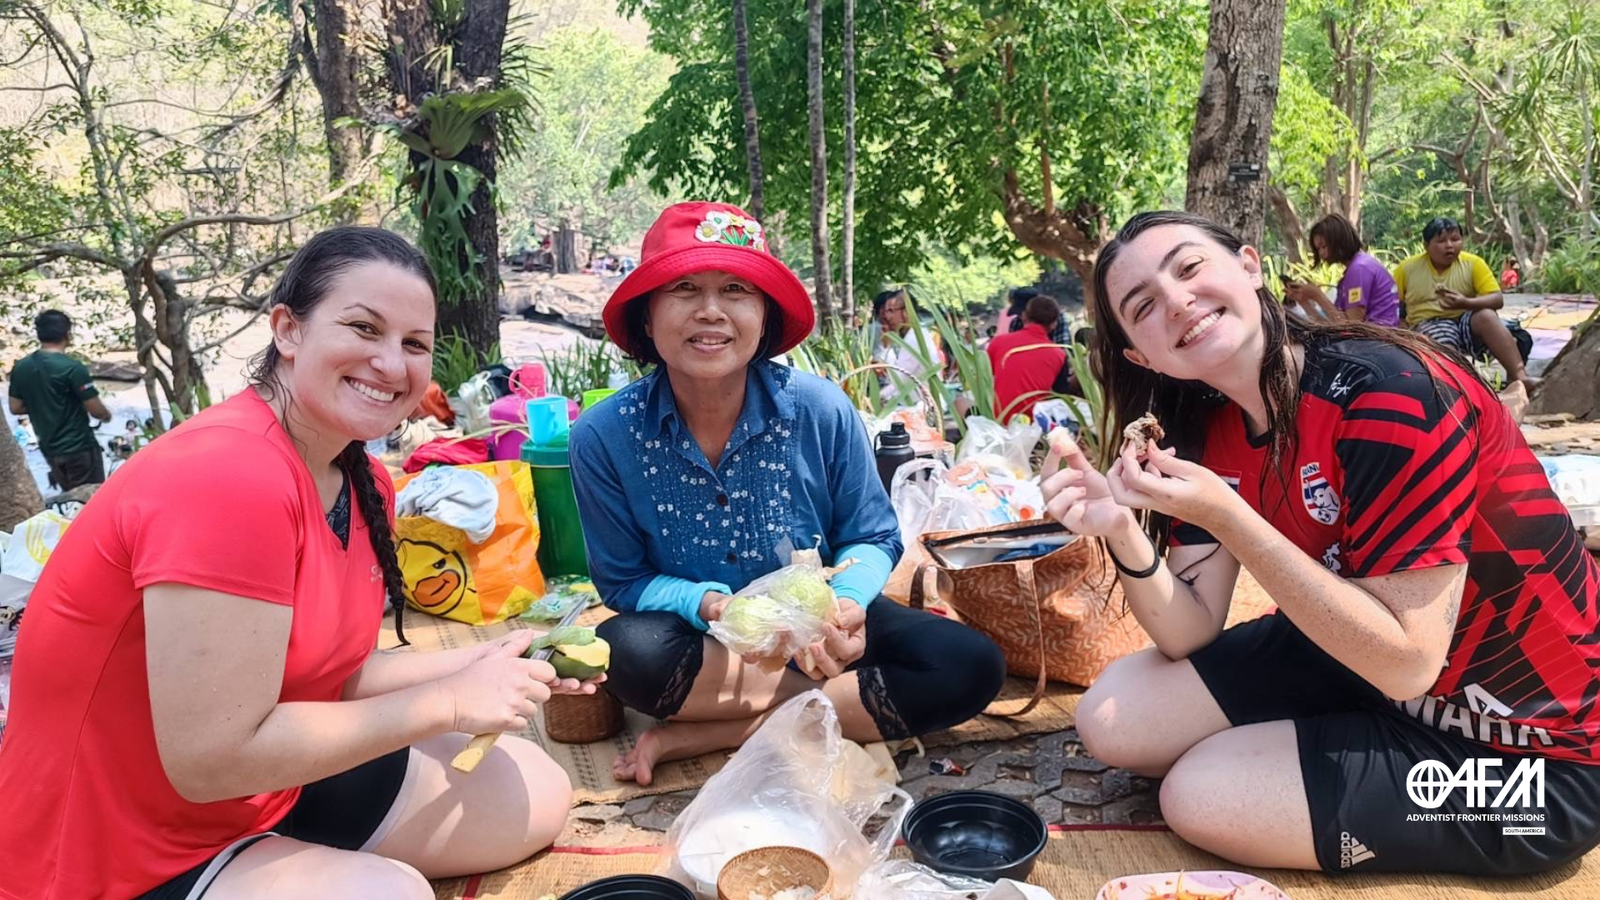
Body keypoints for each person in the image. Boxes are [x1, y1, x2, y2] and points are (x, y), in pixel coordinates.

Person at [0, 228, 588, 900]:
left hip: (265, 788)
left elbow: (330, 673)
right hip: (121, 839)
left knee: (537, 793)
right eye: (363, 328)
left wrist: (482, 662)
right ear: (288, 330)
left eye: (414, 344)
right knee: (388, 894)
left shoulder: (362, 479)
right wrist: (447, 703)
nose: (392, 365)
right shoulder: (229, 476)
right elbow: (211, 758)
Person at [1040, 210, 1600, 877]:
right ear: (1141, 354)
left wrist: (1231, 518)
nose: (1177, 301)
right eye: (1143, 306)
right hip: (1359, 660)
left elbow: (1407, 663)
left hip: (1536, 753)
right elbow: (1188, 630)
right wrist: (1121, 529)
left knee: (1201, 794)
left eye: (1189, 268)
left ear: (1249, 267)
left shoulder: (1391, 392)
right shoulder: (1202, 427)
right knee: (1113, 717)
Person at [570, 202, 1005, 786]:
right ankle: (825, 704)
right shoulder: (603, 435)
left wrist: (841, 608)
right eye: (683, 289)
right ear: (647, 317)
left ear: (764, 315)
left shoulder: (820, 408)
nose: (710, 311)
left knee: (970, 665)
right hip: (709, 645)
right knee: (625, 654)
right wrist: (708, 605)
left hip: (823, 627)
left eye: (734, 289)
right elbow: (624, 582)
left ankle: (722, 730)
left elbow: (872, 536)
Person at [1393, 216, 1539, 389]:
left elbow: (1497, 299)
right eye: (1441, 241)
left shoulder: (1473, 263)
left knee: (1488, 316)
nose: (1449, 245)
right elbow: (1393, 304)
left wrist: (1465, 302)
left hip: (1466, 318)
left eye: (1455, 239)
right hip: (1429, 322)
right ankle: (1463, 390)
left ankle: (1519, 378)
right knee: (1443, 341)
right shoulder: (1407, 269)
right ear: (1426, 245)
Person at [7, 309, 113, 491]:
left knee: (71, 497)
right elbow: (96, 410)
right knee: (91, 500)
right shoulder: (72, 368)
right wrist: (107, 416)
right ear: (67, 334)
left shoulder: (21, 368)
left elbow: (15, 408)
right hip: (79, 447)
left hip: (50, 450)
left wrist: (42, 404)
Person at [1282, 214, 1400, 327]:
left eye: (1324, 246)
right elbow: (1331, 326)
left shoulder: (1359, 269)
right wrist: (1304, 301)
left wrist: (1318, 296)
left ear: (1339, 241)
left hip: (1375, 342)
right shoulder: (1355, 268)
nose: (1321, 253)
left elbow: (1351, 326)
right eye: (1318, 249)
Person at [986, 293, 1068, 421]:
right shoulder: (1059, 354)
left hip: (998, 420)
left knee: (961, 402)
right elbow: (1061, 392)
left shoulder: (998, 342)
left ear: (1024, 316)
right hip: (1035, 424)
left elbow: (986, 378)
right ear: (1054, 324)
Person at [870, 287, 945, 403]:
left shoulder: (915, 339)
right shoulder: (908, 336)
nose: (887, 317)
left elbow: (899, 380)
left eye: (891, 311)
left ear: (906, 312)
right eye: (885, 312)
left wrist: (873, 400)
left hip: (922, 406)